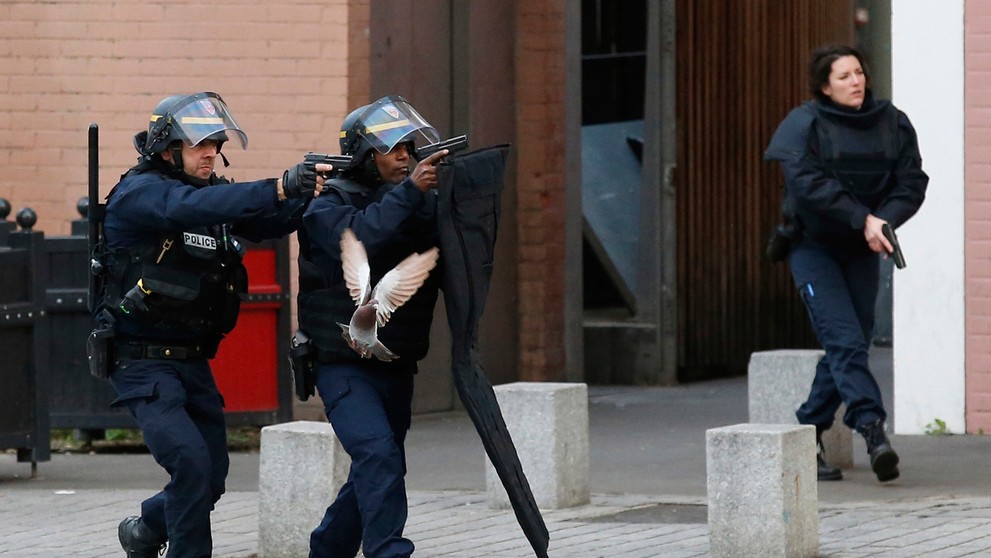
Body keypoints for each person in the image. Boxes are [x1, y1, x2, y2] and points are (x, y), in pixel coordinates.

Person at [95, 92, 327, 557]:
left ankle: (144, 530)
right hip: (141, 360)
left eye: (216, 144)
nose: (211, 154)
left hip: (192, 361)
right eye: (199, 145)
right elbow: (189, 208)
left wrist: (321, 189)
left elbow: (265, 217)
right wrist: (279, 184)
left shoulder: (208, 195)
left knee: (211, 476)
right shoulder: (141, 194)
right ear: (166, 149)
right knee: (191, 464)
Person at [764, 45, 928, 483]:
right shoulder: (805, 125)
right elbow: (806, 186)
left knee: (852, 343)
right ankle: (873, 430)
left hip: (862, 249)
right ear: (824, 86)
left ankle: (806, 431)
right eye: (843, 76)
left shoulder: (892, 122)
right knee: (845, 341)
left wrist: (884, 220)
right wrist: (864, 218)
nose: (856, 82)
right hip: (812, 248)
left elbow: (912, 181)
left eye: (859, 72)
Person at [295, 95, 448, 558]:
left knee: (380, 464)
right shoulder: (326, 205)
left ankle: (327, 550)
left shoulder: (412, 201)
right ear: (364, 156)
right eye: (393, 149)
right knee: (378, 455)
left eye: (409, 147)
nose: (406, 157)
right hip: (341, 362)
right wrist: (413, 193)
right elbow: (361, 238)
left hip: (394, 361)